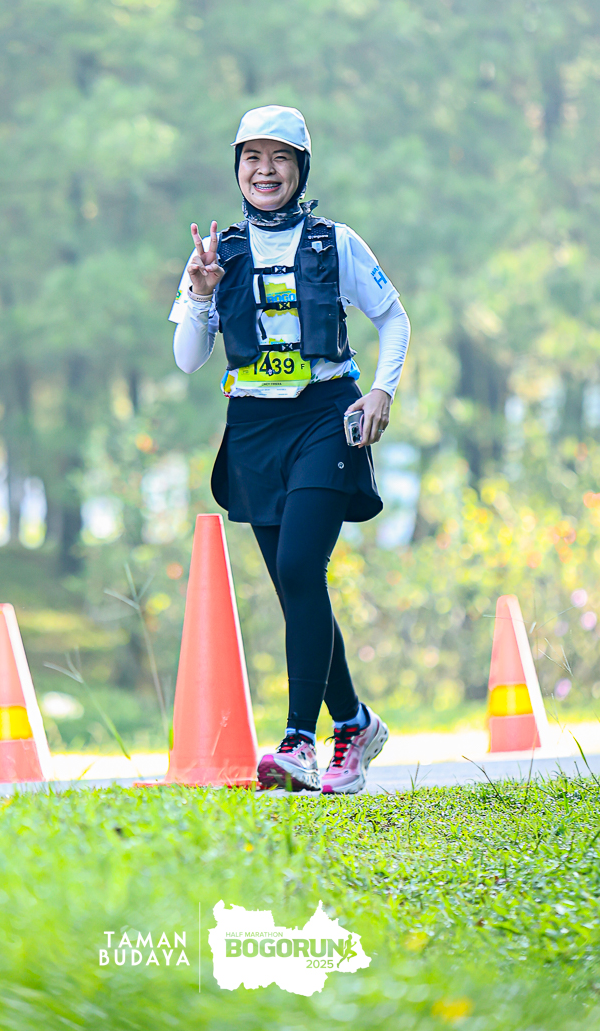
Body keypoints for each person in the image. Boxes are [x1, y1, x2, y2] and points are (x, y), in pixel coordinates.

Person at [169, 105, 410, 794]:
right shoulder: (217, 253)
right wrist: (200, 293)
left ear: (301, 168)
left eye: (279, 157)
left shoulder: (335, 243)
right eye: (252, 157)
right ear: (237, 168)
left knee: (302, 566)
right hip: (252, 428)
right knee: (293, 585)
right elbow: (187, 357)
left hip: (325, 416)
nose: (265, 171)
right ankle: (355, 724)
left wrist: (381, 391)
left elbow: (392, 318)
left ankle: (300, 741)